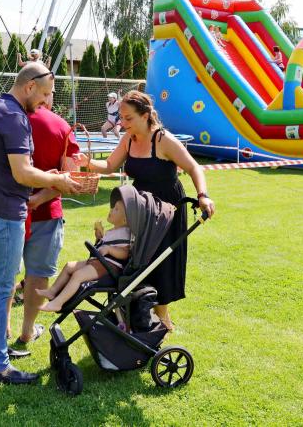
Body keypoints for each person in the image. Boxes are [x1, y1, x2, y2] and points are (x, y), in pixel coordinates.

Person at [0, 61, 81, 384]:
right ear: (30, 86)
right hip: (4, 213)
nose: (46, 101)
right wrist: (57, 180)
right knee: (0, 288)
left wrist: (49, 178)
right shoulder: (14, 116)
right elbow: (22, 173)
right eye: (45, 94)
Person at [77, 90, 215, 331]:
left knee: (162, 262)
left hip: (167, 208)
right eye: (121, 118)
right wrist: (86, 161)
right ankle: (143, 313)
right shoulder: (128, 138)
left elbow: (194, 167)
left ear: (145, 115)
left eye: (128, 118)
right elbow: (109, 165)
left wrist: (202, 195)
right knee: (139, 259)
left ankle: (162, 319)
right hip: (140, 208)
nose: (122, 123)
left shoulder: (163, 140)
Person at [10, 88, 80, 350]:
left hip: (8, 210)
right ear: (47, 95)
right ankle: (27, 331)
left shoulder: (6, 118)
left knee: (5, 274)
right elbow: (72, 176)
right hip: (45, 213)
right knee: (38, 275)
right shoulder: (61, 126)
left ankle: (3, 328)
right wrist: (40, 198)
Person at [37, 196, 130, 312]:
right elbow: (102, 247)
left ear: (125, 220)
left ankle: (58, 303)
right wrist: (99, 238)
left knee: (78, 275)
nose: (111, 210)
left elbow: (125, 253)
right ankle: (52, 291)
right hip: (99, 262)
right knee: (69, 266)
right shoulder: (113, 231)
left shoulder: (125, 233)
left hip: (109, 267)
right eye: (113, 207)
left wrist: (110, 250)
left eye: (116, 209)